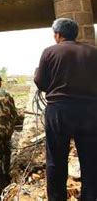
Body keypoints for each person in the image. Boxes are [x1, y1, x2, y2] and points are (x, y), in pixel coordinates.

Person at [34, 18, 97, 201]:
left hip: (59, 110)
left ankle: (56, 198)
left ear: (58, 34)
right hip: (90, 111)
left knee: (56, 158)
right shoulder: (94, 52)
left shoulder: (49, 52)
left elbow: (40, 81)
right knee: (91, 157)